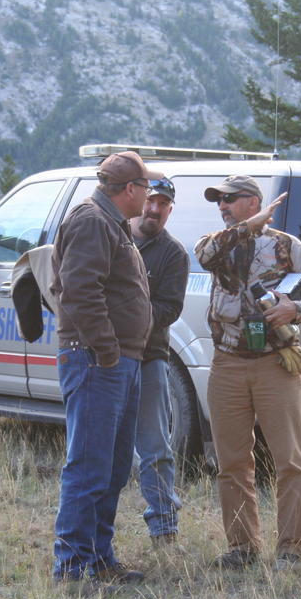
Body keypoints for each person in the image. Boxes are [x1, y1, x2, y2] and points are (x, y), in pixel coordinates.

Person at [194, 174, 301, 571]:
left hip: (276, 363)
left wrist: (295, 309)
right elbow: (203, 257)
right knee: (232, 461)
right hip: (227, 364)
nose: (222, 205)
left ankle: (291, 548)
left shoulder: (288, 246)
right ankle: (242, 547)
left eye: (230, 199)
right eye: (218, 200)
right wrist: (243, 229)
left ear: (254, 202)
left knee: (289, 459)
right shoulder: (216, 245)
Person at [49, 150, 159, 584]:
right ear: (129, 189)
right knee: (89, 464)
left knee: (112, 467)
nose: (149, 198)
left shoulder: (111, 223)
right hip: (96, 360)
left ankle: (97, 557)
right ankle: (73, 565)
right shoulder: (92, 220)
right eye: (146, 188)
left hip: (118, 361)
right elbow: (78, 290)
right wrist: (108, 350)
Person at [128, 177, 189, 546]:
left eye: (162, 204)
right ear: (138, 200)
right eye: (150, 200)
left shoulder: (173, 254)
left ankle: (164, 528)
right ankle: (93, 534)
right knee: (101, 447)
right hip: (104, 359)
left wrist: (128, 314)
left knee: (155, 447)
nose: (154, 209)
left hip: (149, 357)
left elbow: (169, 309)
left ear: (169, 209)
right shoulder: (113, 236)